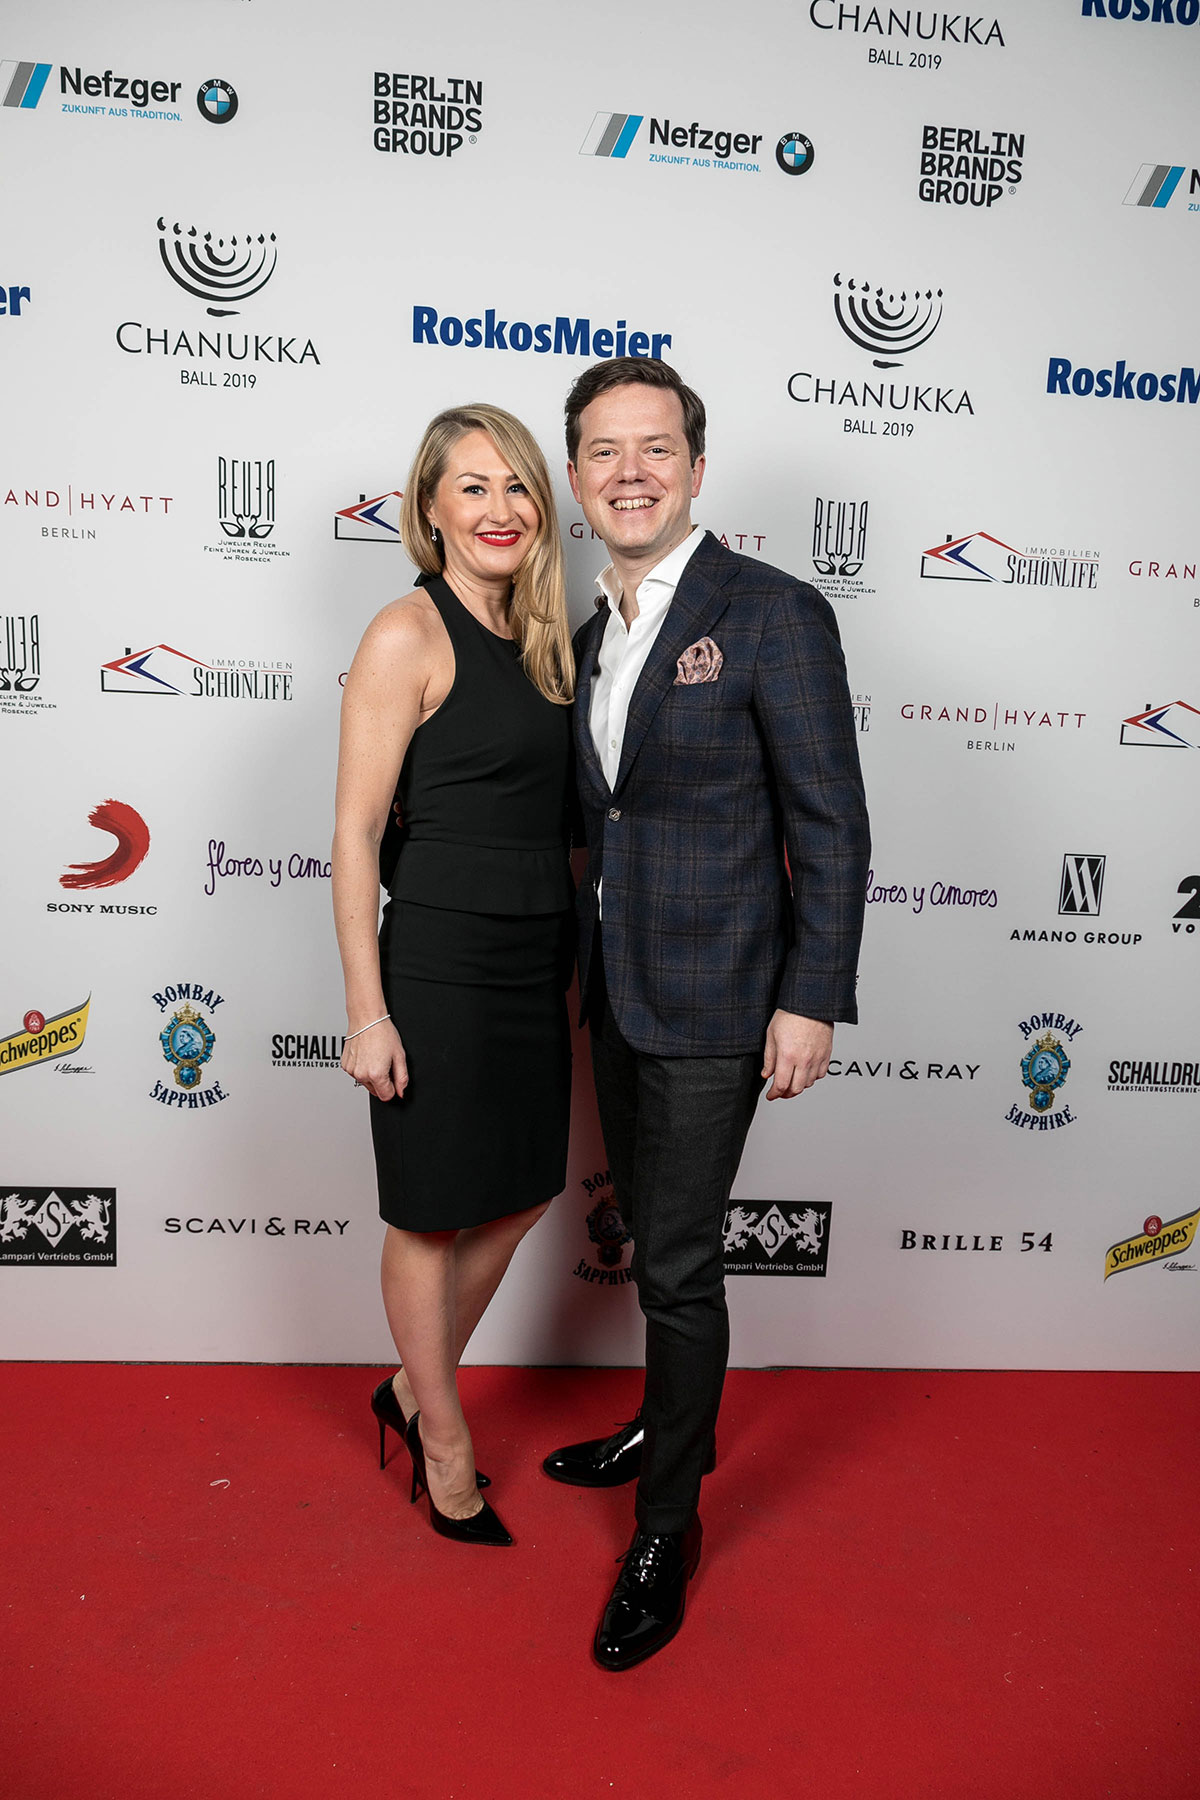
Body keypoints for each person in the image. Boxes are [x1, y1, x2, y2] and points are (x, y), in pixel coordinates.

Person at [543, 358, 869, 1667]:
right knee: (654, 1240)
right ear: (576, 477)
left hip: (724, 994)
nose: (630, 473)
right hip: (616, 995)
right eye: (604, 452)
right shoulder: (591, 634)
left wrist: (812, 998)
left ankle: (665, 1525)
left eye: (656, 449)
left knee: (677, 1266)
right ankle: (665, 1423)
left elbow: (831, 824)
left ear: (694, 466)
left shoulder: (774, 611)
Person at [333, 403, 575, 1547]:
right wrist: (367, 1011)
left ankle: (406, 1385)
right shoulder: (405, 632)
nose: (498, 508)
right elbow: (354, 834)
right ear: (429, 509)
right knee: (430, 1216)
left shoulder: (550, 639)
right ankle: (443, 1438)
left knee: (524, 1191)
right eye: (472, 487)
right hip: (437, 961)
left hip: (536, 956)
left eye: (517, 485)